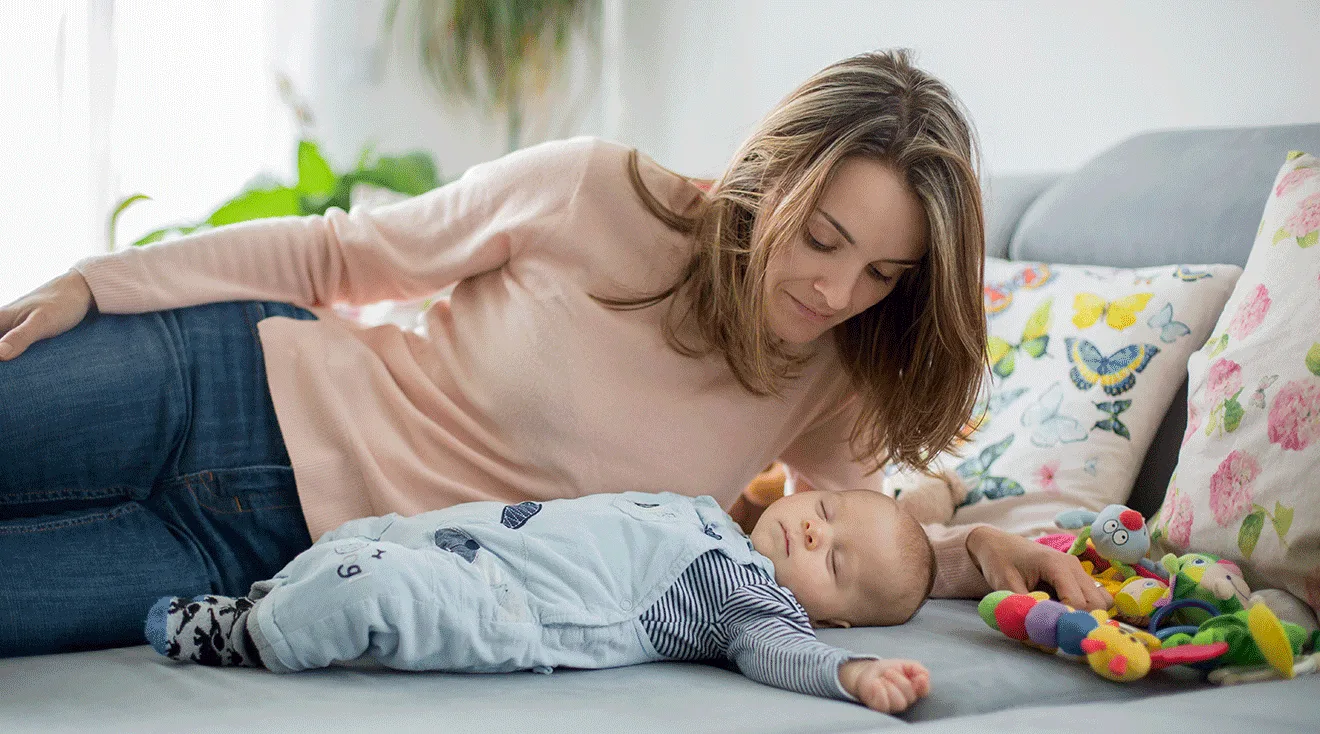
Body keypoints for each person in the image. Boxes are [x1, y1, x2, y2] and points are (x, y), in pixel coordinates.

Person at [0, 48, 1111, 659]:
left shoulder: (827, 368)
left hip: (245, 560)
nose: (835, 289)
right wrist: (96, 280)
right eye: (824, 238)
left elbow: (862, 530)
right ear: (771, 178)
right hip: (223, 385)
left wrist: (968, 551)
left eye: (881, 274)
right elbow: (338, 254)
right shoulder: (590, 188)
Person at [146, 488, 936, 714]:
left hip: (509, 607)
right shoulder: (712, 512)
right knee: (364, 532)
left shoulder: (747, 598)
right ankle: (271, 599)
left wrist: (853, 674)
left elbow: (782, 653)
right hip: (482, 538)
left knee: (374, 586)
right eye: (826, 511)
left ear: (826, 616)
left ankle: (248, 634)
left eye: (835, 561)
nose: (810, 533)